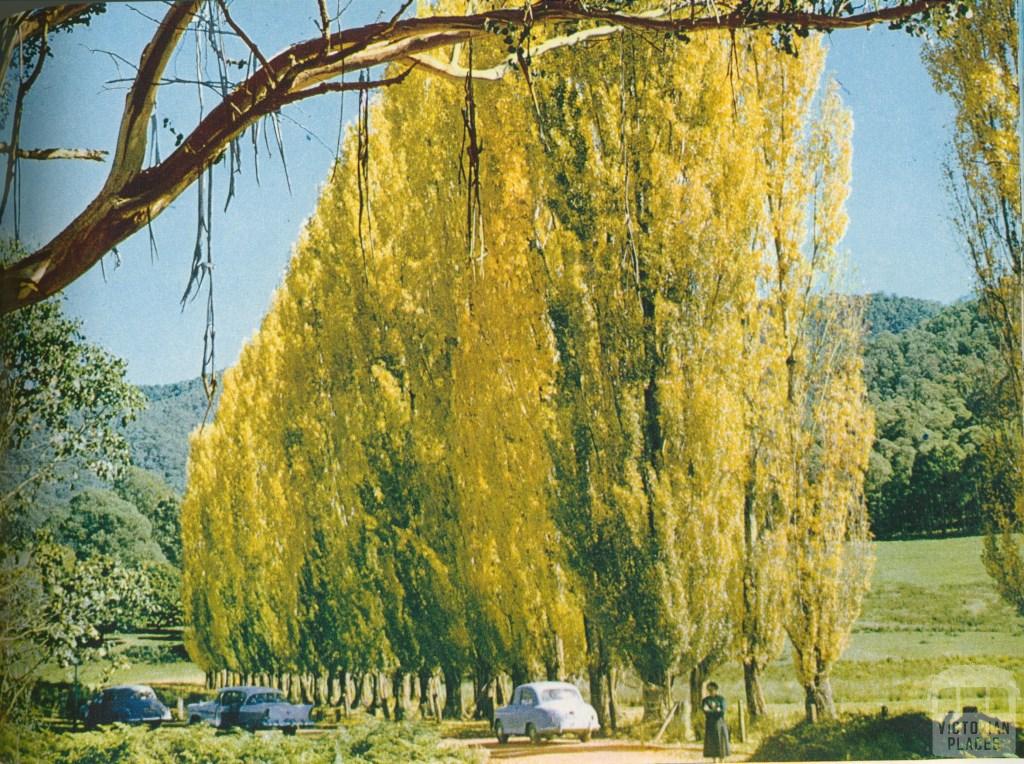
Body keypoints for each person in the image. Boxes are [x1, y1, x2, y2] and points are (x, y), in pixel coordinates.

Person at [701, 681, 730, 762]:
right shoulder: (706, 700)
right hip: (710, 724)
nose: (711, 691)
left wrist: (712, 710)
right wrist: (715, 710)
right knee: (712, 742)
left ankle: (722, 760)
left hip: (720, 723)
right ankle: (714, 761)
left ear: (716, 689)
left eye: (712, 689)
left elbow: (722, 711)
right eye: (709, 690)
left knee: (721, 742)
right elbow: (705, 711)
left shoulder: (721, 699)